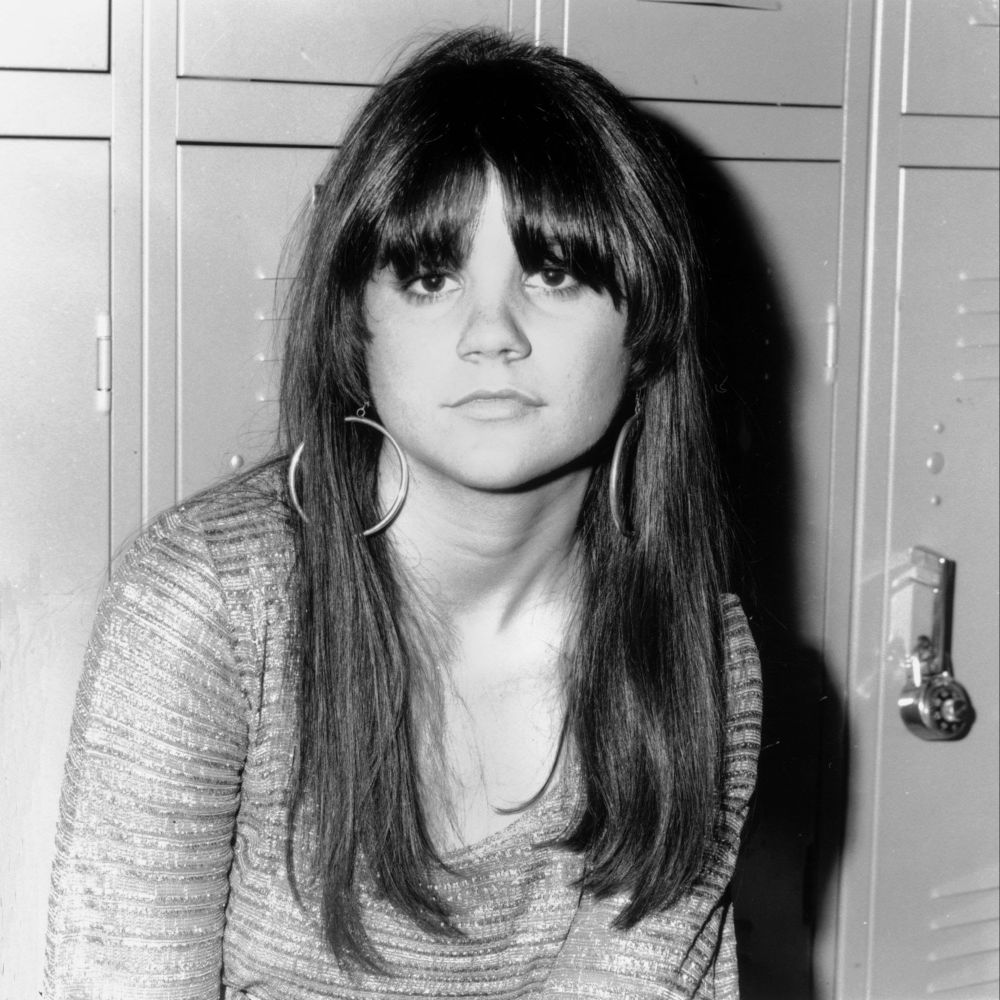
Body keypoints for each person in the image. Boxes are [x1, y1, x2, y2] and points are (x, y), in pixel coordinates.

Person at [44, 28, 761, 999]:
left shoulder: (697, 656)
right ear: (358, 322)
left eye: (551, 271)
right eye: (431, 275)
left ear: (644, 325)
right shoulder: (208, 609)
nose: (491, 333)